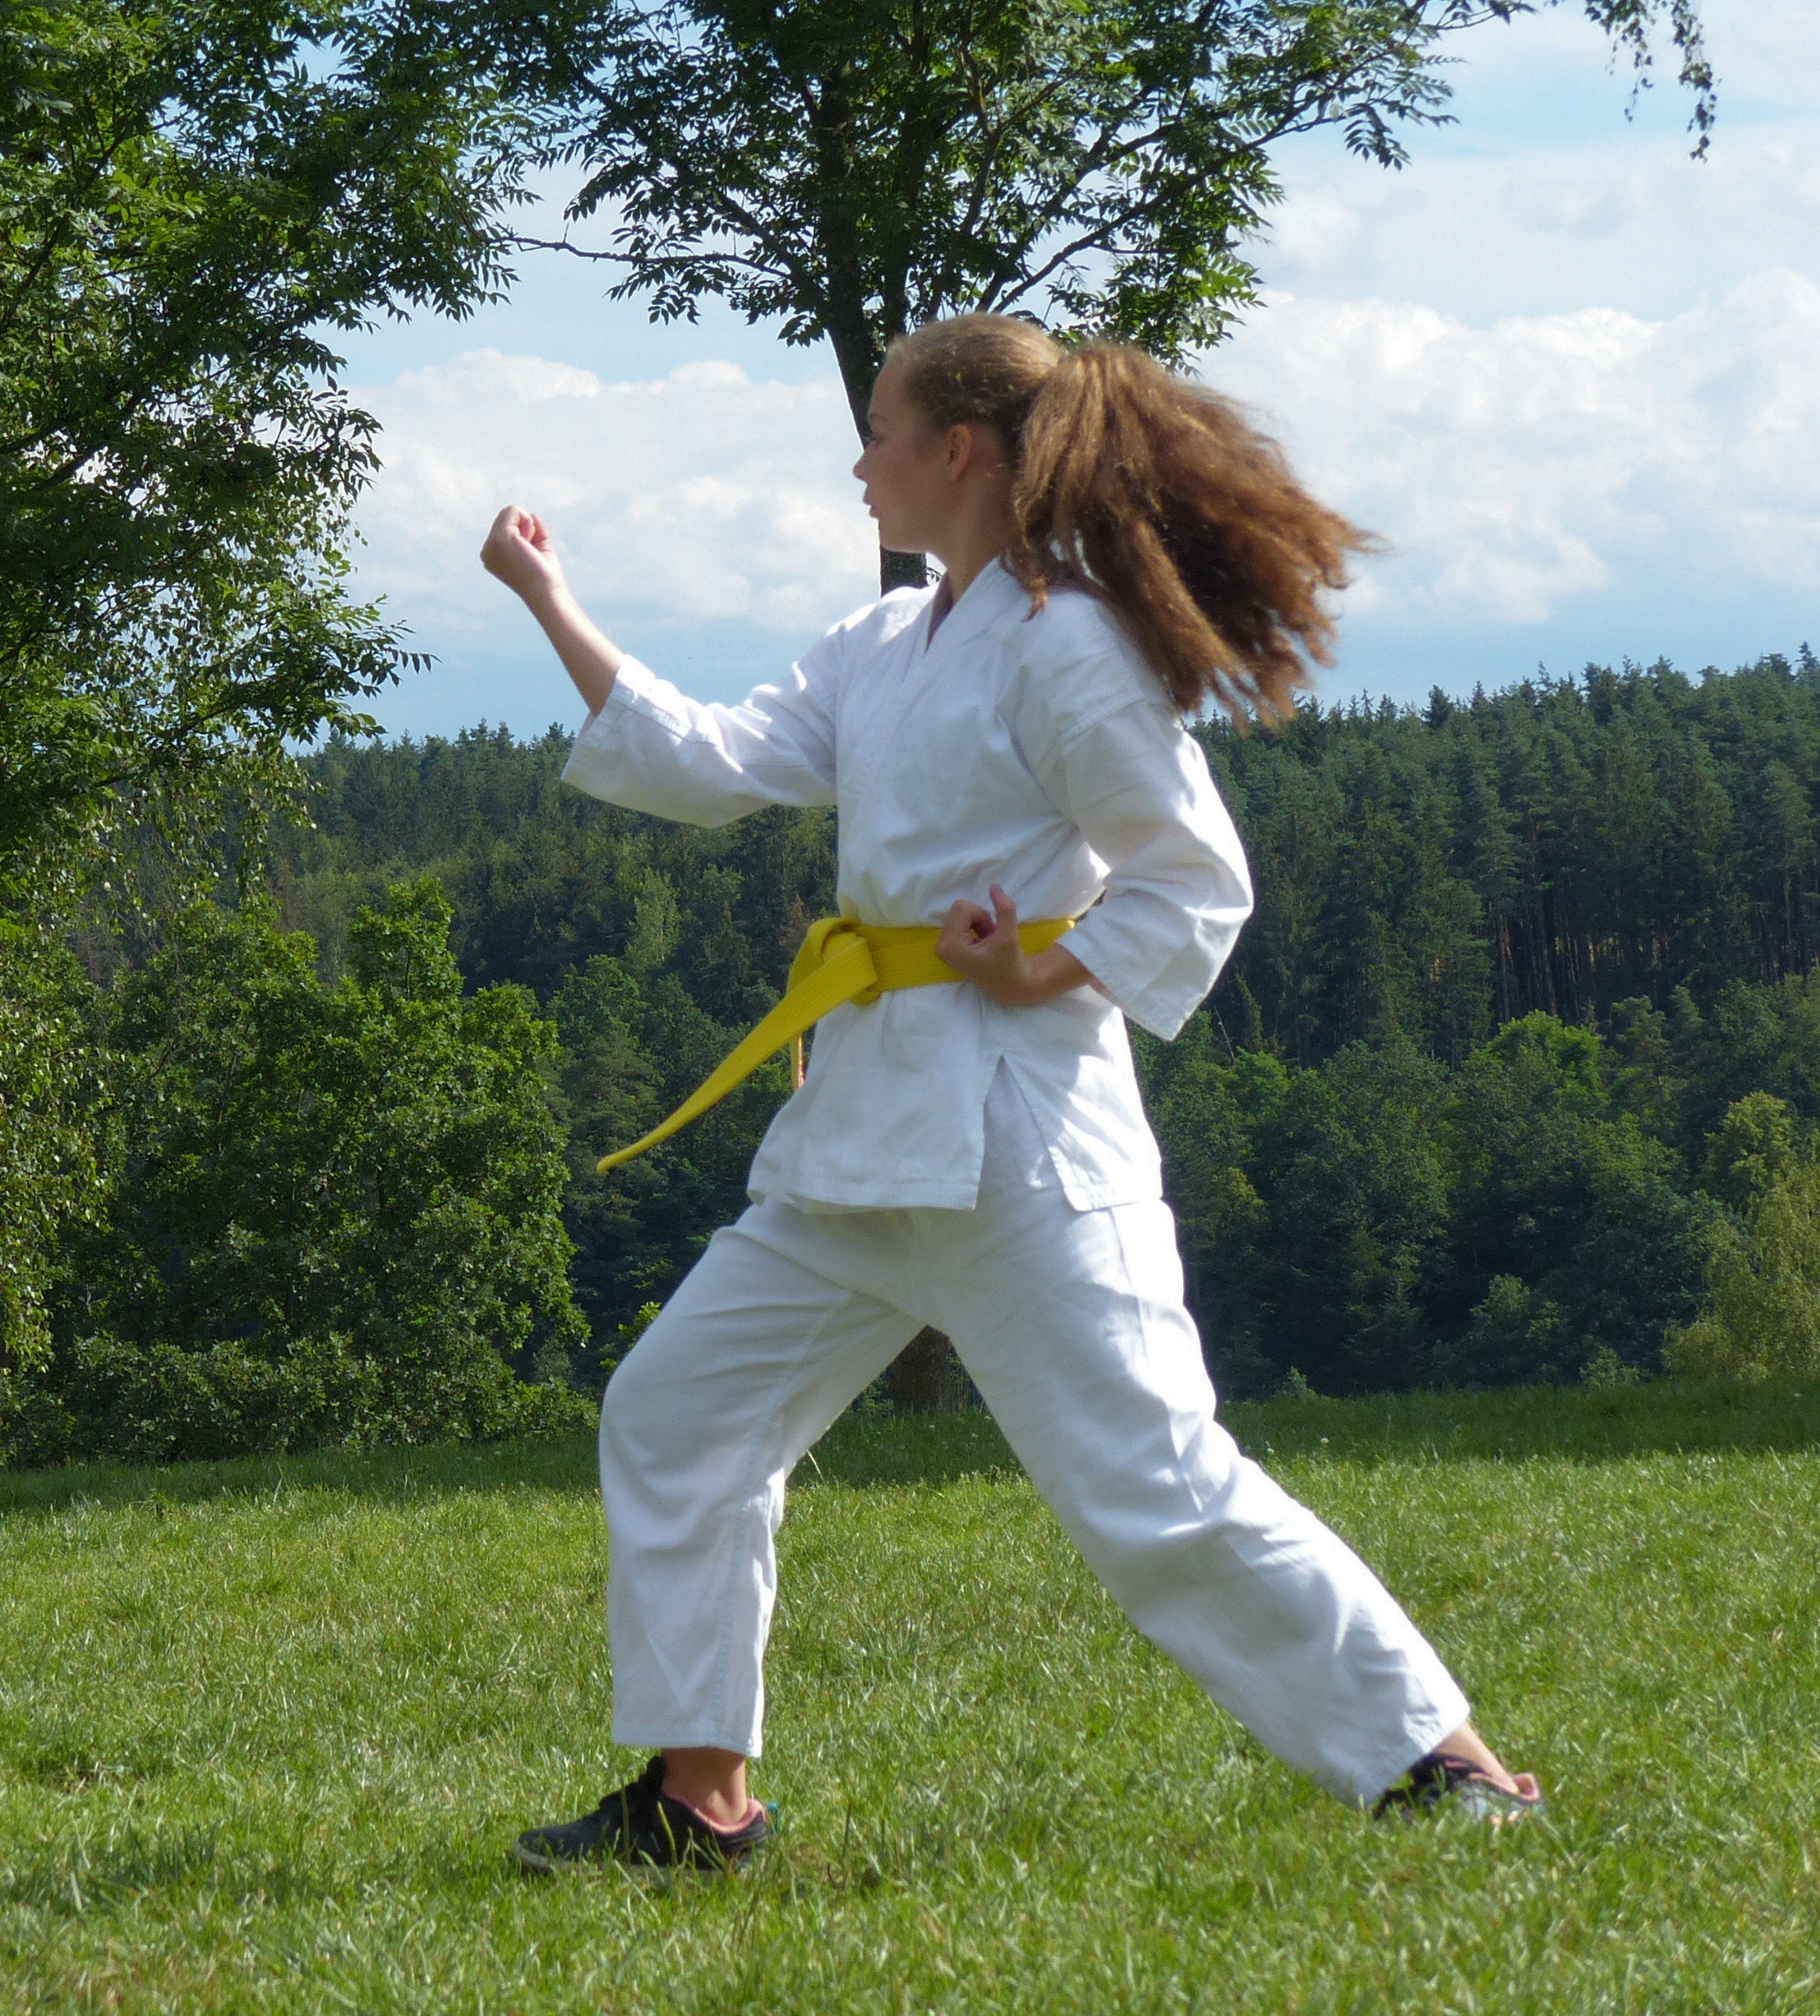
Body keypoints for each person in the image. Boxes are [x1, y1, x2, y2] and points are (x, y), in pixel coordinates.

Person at [485, 314, 1544, 1873]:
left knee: (1152, 1484)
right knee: (680, 1414)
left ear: (956, 448)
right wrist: (547, 601)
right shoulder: (885, 638)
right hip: (854, 1148)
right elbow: (706, 763)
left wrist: (1041, 970)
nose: (859, 464)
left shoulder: (1068, 644)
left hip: (1015, 1143)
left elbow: (1191, 879)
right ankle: (697, 1803)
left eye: (878, 432)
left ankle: (1447, 1769)